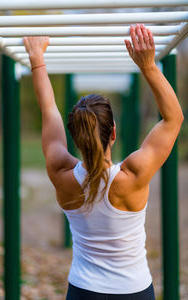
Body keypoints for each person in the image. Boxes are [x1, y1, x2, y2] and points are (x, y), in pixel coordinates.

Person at [23, 24, 184, 300]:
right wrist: (147, 66)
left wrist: (37, 60)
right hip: (134, 291)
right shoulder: (132, 176)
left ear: (75, 138)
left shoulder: (60, 173)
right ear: (113, 132)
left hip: (83, 291)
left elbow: (48, 110)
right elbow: (173, 119)